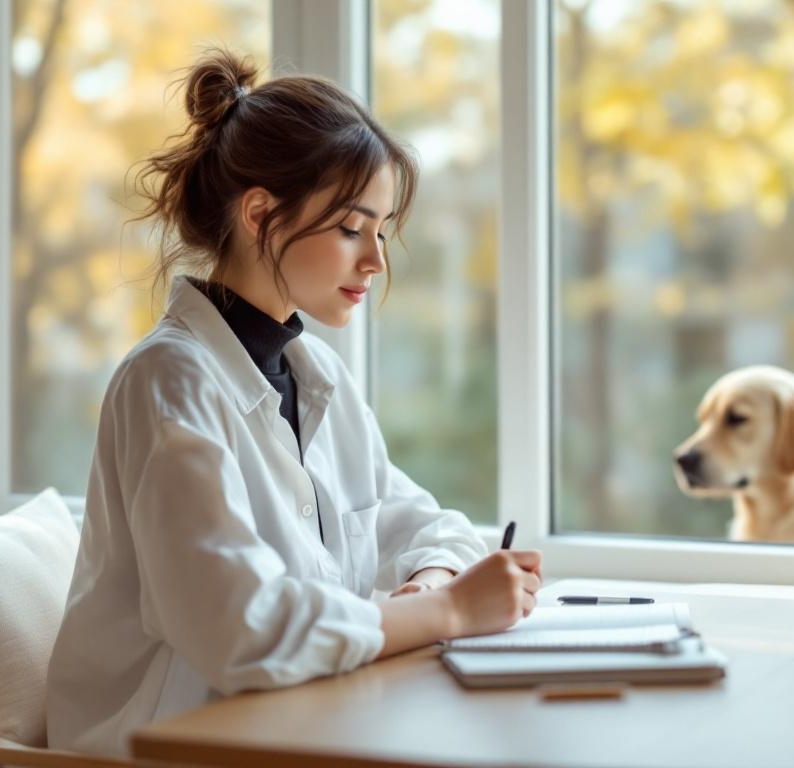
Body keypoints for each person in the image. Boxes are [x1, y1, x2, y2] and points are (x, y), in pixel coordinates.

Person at [46, 47, 542, 757]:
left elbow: (432, 527)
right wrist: (449, 609)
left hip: (300, 723)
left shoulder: (314, 379)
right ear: (259, 214)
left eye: (380, 229)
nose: (374, 260)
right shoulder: (169, 382)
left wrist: (429, 586)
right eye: (350, 228)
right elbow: (239, 627)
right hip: (178, 743)